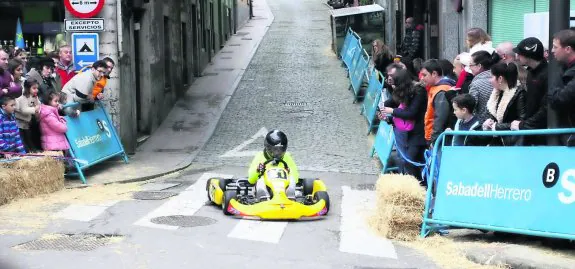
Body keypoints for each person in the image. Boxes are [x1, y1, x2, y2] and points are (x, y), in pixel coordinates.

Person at [248, 129, 299, 201]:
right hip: (266, 187)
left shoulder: (287, 157)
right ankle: (264, 200)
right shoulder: (260, 157)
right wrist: (258, 170)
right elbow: (251, 180)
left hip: (283, 187)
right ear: (268, 148)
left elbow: (295, 177)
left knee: (292, 181)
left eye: (280, 150)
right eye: (274, 150)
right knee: (261, 180)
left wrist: (289, 171)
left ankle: (290, 200)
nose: (277, 153)